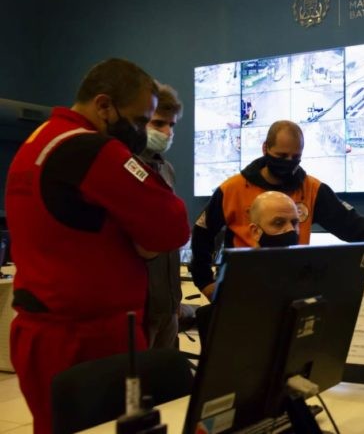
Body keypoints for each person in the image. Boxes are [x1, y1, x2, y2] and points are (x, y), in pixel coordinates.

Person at [4, 58, 190, 433]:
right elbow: (172, 226)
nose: (142, 131)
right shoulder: (91, 149)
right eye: (140, 120)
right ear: (104, 105)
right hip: (87, 338)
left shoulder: (40, 139)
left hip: (42, 329)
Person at [190, 119, 364, 299]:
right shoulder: (233, 189)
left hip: (292, 288)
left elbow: (354, 226)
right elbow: (202, 232)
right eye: (281, 155)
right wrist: (205, 282)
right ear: (265, 148)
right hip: (241, 288)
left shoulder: (312, 189)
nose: (288, 162)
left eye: (295, 157)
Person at [195, 190, 300, 349]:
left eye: (295, 223)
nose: (290, 230)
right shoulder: (239, 287)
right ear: (256, 231)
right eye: (278, 223)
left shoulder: (306, 276)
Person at [139, 83, 185, 349]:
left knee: (164, 371)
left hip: (168, 302)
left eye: (172, 125)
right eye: (158, 123)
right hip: (139, 304)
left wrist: (175, 298)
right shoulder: (122, 166)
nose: (167, 132)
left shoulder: (166, 169)